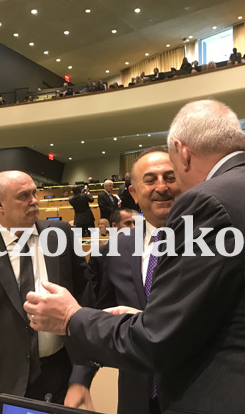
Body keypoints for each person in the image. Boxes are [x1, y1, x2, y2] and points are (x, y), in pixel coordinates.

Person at [26, 99, 245, 413]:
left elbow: (157, 339)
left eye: (172, 172)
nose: (167, 186)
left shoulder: (209, 202)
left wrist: (71, 318)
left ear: (183, 152)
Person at [0, 171, 92, 412]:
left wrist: (82, 374)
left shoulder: (60, 236)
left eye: (34, 193)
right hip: (2, 378)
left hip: (61, 372)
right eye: (24, 196)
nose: (34, 201)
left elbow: (85, 300)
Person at [89, 148, 180, 414]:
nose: (161, 187)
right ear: (134, 193)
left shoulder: (212, 242)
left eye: (170, 177)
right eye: (150, 180)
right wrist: (80, 378)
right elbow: (103, 313)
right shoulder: (116, 248)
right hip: (134, 396)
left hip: (192, 393)